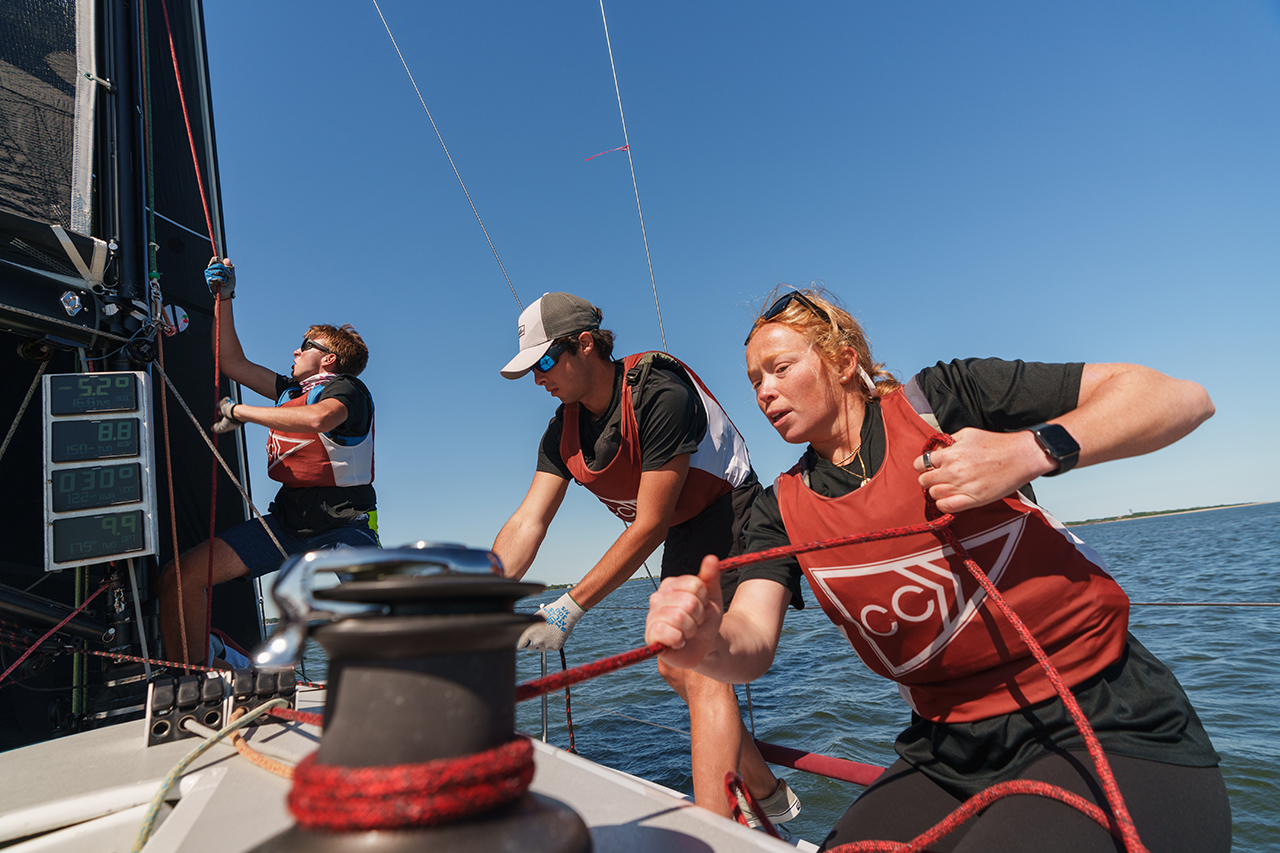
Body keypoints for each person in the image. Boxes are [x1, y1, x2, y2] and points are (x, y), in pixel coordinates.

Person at [645, 288, 1231, 851]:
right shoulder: (780, 510)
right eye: (753, 381)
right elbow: (751, 639)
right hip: (948, 748)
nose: (764, 393)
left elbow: (1179, 398)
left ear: (845, 362)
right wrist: (705, 644)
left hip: (1102, 718)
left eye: (779, 368)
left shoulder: (945, 400)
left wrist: (1028, 452)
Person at [493, 292, 802, 825]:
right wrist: (479, 593)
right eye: (530, 370)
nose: (540, 379)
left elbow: (650, 524)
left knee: (700, 663)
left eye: (545, 361)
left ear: (585, 344)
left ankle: (717, 830)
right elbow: (529, 521)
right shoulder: (560, 431)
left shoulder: (660, 392)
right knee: (671, 665)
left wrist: (568, 607)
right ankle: (765, 788)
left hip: (734, 512)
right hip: (686, 529)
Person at [159, 259, 379, 668]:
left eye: (305, 345)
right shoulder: (290, 390)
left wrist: (241, 412)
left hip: (345, 530)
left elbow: (319, 419)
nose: (295, 350)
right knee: (179, 579)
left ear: (328, 359)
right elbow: (231, 363)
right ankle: (195, 681)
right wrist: (224, 298)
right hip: (288, 527)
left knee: (383, 630)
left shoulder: (349, 390)